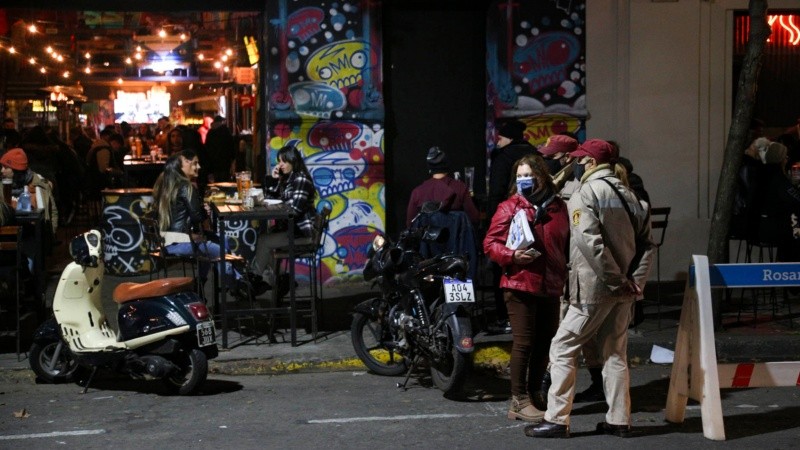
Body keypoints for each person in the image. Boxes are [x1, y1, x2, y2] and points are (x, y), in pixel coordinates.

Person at [527, 139, 655, 439]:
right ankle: (619, 420)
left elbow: (589, 242)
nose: (580, 165)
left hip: (594, 289)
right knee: (615, 354)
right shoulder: (634, 198)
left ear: (592, 164)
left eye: (583, 161)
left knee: (561, 347)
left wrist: (615, 280)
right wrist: (634, 281)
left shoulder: (585, 193)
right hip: (623, 290)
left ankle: (557, 420)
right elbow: (649, 246)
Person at [483, 153, 569, 422]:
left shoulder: (558, 208)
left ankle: (535, 393)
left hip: (551, 284)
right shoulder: (510, 207)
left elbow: (566, 243)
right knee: (524, 342)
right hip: (519, 283)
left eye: (528, 175)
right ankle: (518, 400)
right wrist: (511, 256)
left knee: (545, 342)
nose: (524, 181)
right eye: (519, 176)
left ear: (542, 176)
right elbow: (490, 244)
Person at [151, 150, 267, 298]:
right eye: (194, 163)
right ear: (184, 164)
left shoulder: (165, 184)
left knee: (220, 240)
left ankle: (202, 285)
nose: (198, 167)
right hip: (180, 242)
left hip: (166, 240)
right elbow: (197, 217)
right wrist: (203, 207)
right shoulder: (186, 186)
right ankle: (237, 285)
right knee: (219, 252)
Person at [487, 120, 539, 332]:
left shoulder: (503, 157)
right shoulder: (535, 155)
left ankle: (506, 316)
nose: (497, 140)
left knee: (504, 264)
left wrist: (493, 219)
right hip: (536, 216)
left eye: (500, 137)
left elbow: (497, 191)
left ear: (508, 138)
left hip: (509, 219)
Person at [252, 145, 318, 295]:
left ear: (293, 161)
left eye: (283, 161)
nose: (280, 165)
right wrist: (275, 179)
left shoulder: (300, 178)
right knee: (265, 239)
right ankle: (282, 280)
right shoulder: (289, 178)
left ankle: (254, 280)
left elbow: (295, 209)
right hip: (292, 231)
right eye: (279, 161)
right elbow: (272, 197)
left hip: (303, 234)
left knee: (265, 241)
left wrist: (278, 204)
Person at [406, 146, 479, 227]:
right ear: (446, 165)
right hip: (455, 239)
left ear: (429, 168)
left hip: (428, 239)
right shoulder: (460, 188)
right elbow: (474, 218)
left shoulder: (417, 193)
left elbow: (410, 224)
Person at [202, 116, 236, 183]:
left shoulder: (210, 132)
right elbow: (231, 145)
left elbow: (207, 147)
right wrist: (233, 157)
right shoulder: (225, 130)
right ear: (221, 121)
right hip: (224, 161)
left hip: (213, 162)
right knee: (224, 180)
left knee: (216, 181)